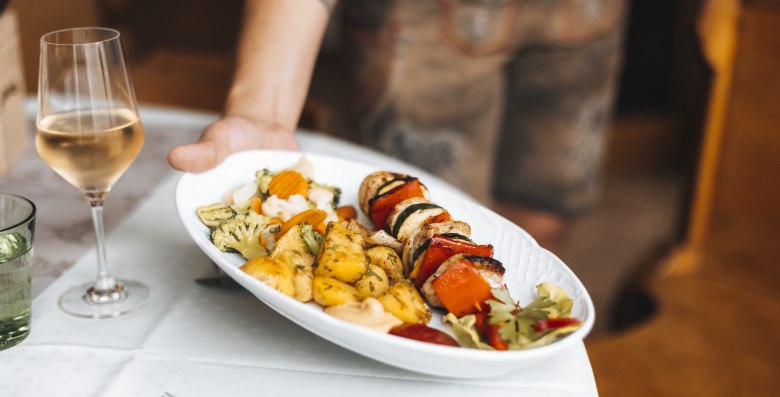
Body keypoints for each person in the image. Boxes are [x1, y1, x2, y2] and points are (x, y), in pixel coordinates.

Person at [168, 0, 626, 252]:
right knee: (420, 234)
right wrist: (261, 113)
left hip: (589, 16)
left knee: (541, 217)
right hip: (431, 23)